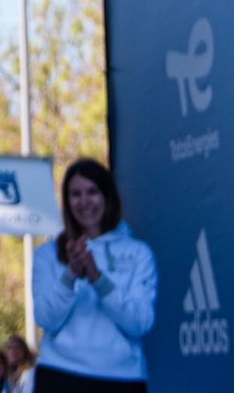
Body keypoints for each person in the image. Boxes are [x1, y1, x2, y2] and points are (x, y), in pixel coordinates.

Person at [32, 159, 155, 392]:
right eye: (75, 194)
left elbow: (140, 323)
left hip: (122, 378)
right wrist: (71, 275)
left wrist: (98, 279)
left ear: (107, 197)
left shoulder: (138, 253)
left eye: (92, 192)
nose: (84, 202)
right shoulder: (48, 254)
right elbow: (46, 318)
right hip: (60, 374)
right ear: (67, 201)